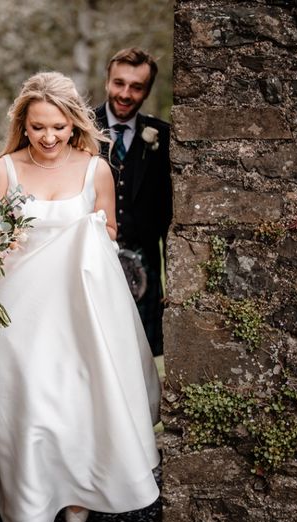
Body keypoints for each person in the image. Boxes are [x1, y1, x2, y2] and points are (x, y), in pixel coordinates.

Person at [0, 71, 161, 522]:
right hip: (17, 315)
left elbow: (108, 234)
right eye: (38, 127)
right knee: (26, 413)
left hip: (77, 309)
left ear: (74, 125)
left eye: (59, 127)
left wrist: (85, 237)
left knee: (76, 404)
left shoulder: (96, 170)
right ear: (23, 125)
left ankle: (75, 490)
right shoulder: (4, 170)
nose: (48, 138)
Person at [95, 47, 172, 357]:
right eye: (119, 83)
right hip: (93, 260)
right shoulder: (77, 129)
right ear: (107, 82)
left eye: (136, 86)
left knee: (139, 357)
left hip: (146, 266)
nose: (125, 93)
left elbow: (169, 213)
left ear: (147, 91)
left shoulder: (164, 137)